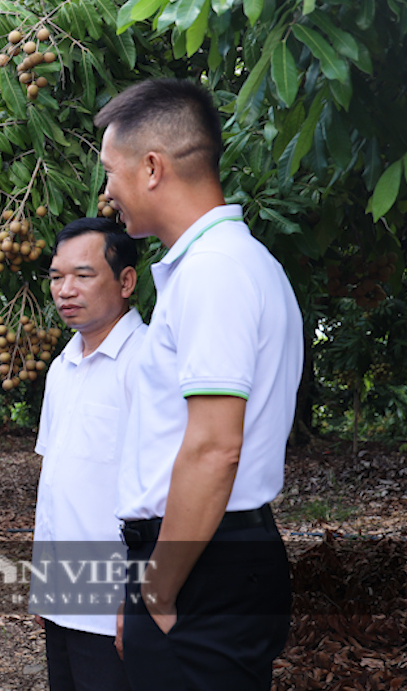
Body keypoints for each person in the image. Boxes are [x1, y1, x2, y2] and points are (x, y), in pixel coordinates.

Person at [96, 79, 300, 690]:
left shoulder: (216, 273)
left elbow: (214, 446)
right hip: (195, 555)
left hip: (203, 560)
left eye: (111, 172)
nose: (107, 194)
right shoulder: (217, 267)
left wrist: (160, 581)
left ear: (152, 168)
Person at [29, 217, 144, 691]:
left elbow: (161, 493)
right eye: (57, 277)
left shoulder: (147, 361)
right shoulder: (62, 365)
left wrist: (135, 600)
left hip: (115, 604)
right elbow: (53, 483)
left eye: (83, 275)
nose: (65, 290)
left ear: (126, 281)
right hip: (64, 595)